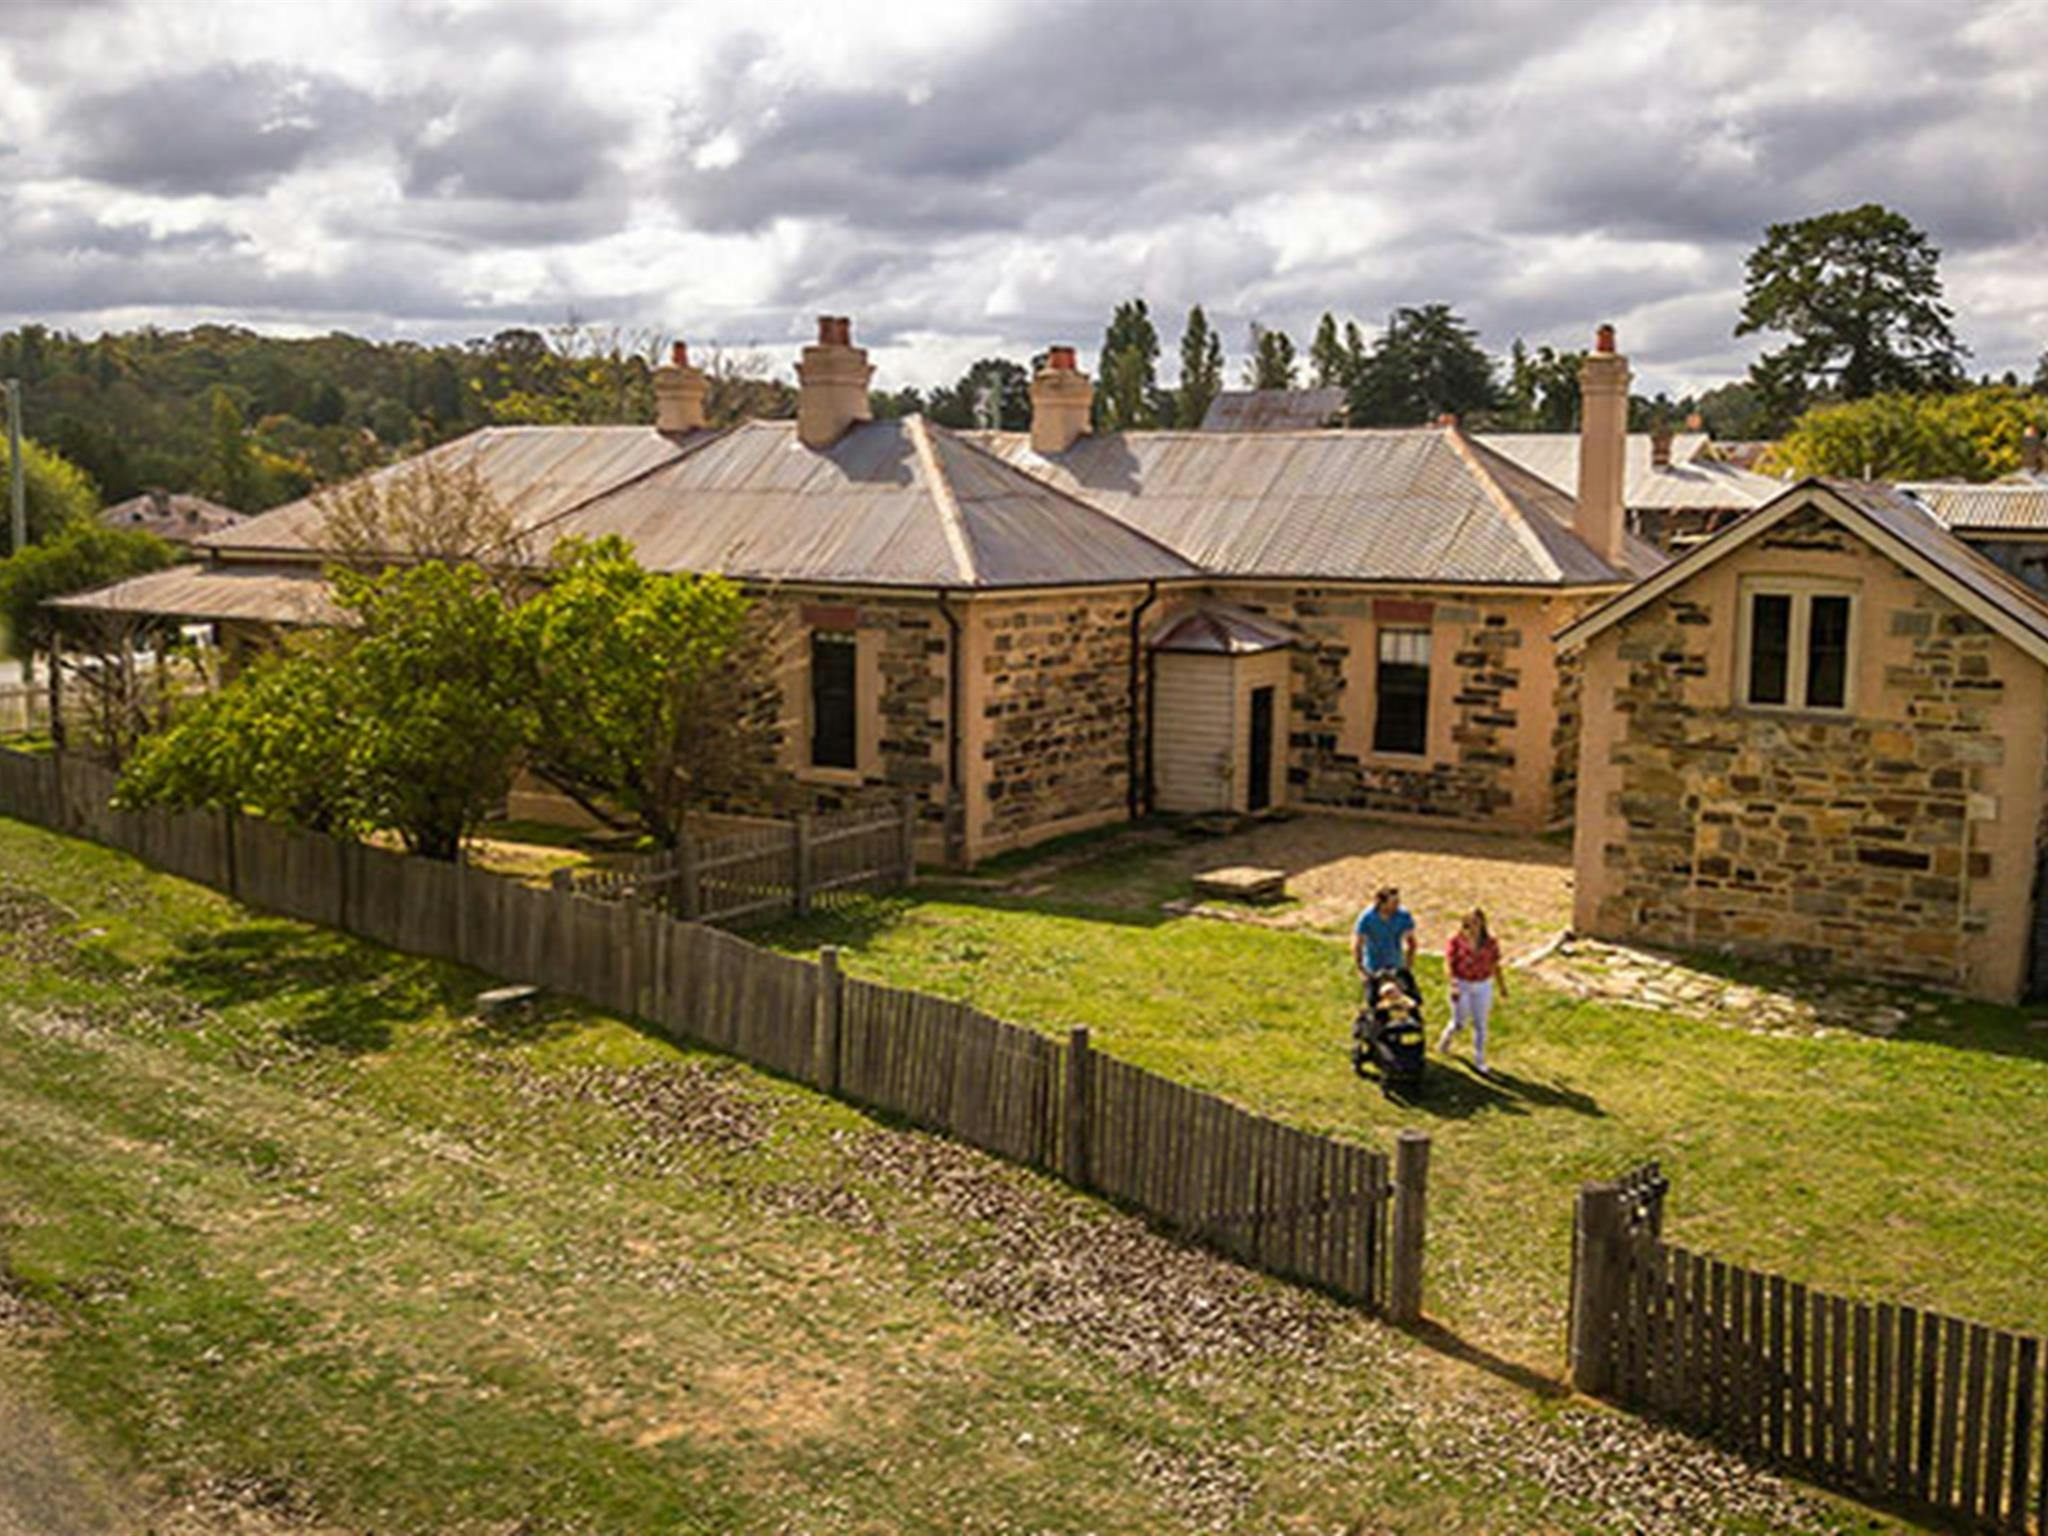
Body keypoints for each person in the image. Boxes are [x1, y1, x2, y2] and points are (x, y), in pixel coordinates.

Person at [1441, 907, 1505, 1075]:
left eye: (1478, 922)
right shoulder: (1455, 941)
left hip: (1483, 984)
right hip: (1462, 984)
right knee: (1459, 1022)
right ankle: (1446, 1039)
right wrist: (1453, 984)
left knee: (1480, 1024)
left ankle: (1480, 1060)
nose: (1475, 926)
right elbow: (1449, 964)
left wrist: (1502, 987)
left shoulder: (1490, 943)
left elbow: (1496, 965)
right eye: (1471, 922)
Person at [1352, 886, 1419, 1003]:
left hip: (1395, 964)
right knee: (1374, 1002)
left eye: (1398, 902)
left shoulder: (1403, 916)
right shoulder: (1367, 918)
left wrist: (1407, 966)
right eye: (1393, 902)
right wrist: (1361, 968)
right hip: (1373, 966)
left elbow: (1411, 942)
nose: (1397, 905)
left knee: (1406, 999)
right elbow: (1357, 943)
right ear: (1381, 903)